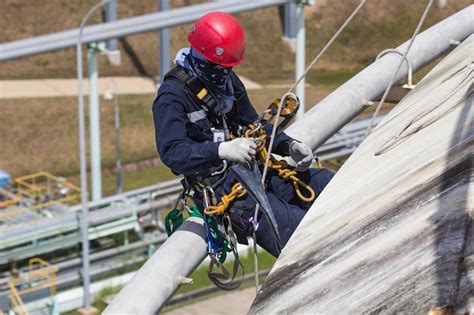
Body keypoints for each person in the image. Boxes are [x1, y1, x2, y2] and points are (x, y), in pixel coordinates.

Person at [153, 11, 334, 257]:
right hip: (224, 190)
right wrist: (220, 150)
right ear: (205, 59)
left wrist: (287, 145)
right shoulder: (172, 97)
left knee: (326, 184)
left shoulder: (225, 81)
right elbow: (172, 152)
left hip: (256, 172)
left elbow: (253, 125)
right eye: (220, 68)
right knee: (299, 232)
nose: (224, 74)